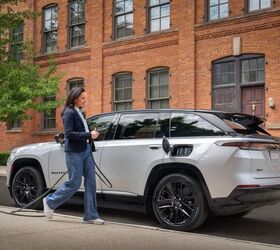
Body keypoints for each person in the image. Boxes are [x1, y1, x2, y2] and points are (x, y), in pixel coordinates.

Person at [43, 87, 104, 225]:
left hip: (86, 150)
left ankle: (90, 215)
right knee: (74, 183)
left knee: (91, 183)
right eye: (82, 98)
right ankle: (49, 201)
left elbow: (82, 131)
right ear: (75, 98)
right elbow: (69, 134)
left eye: (85, 98)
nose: (84, 101)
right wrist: (89, 135)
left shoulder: (80, 112)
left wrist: (91, 134)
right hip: (74, 152)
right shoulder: (68, 113)